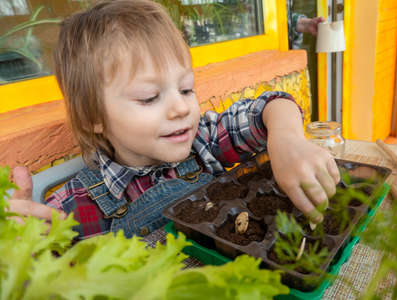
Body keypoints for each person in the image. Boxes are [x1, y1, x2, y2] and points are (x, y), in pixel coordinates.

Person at [7, 0, 339, 240]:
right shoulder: (74, 206)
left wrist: (287, 139)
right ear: (95, 116)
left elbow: (270, 106)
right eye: (150, 97)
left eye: (186, 89)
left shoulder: (204, 143)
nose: (180, 108)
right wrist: (17, 242)